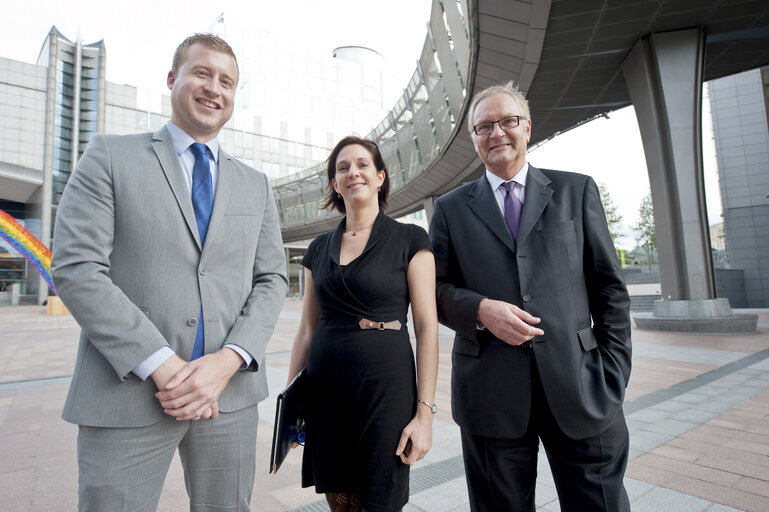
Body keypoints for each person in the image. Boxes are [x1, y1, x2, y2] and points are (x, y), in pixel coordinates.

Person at [51, 33, 288, 511]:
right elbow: (78, 267)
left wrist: (229, 360)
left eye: (227, 81)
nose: (214, 88)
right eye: (202, 73)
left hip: (229, 395)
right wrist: (164, 365)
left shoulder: (256, 185)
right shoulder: (109, 156)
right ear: (172, 78)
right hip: (127, 394)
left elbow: (272, 279)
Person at [429, 81, 632, 511]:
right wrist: (481, 310)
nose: (497, 133)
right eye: (484, 127)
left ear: (528, 127)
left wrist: (612, 371)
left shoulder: (576, 191)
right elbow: (436, 290)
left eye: (507, 121)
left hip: (581, 388)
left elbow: (609, 289)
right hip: (490, 395)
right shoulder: (448, 208)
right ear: (474, 139)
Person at [287, 136, 439, 512]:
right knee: (339, 501)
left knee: (380, 499)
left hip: (386, 391)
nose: (352, 172)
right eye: (342, 168)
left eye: (362, 164)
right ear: (335, 184)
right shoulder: (318, 248)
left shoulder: (410, 238)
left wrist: (425, 414)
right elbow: (306, 330)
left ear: (380, 177)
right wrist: (290, 408)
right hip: (326, 393)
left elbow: (427, 328)